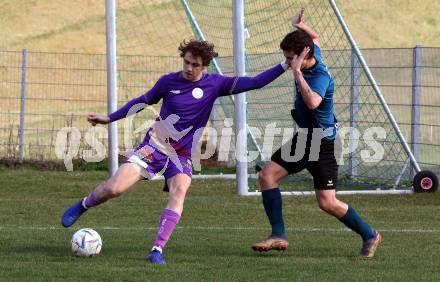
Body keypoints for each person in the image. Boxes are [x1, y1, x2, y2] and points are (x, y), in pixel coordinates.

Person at [61, 39, 291, 265]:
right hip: (154, 147)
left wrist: (285, 64)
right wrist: (110, 118)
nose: (189, 68)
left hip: (181, 155)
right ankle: (83, 205)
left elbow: (256, 82)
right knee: (114, 188)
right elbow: (142, 101)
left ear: (205, 66)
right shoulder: (168, 82)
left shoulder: (216, 84)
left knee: (179, 190)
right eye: (187, 62)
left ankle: (157, 249)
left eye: (196, 65)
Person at [251, 8, 381, 259]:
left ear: (304, 54)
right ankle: (278, 234)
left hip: (323, 145)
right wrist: (301, 25)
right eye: (287, 58)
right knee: (267, 175)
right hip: (304, 140)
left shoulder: (319, 75)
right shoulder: (313, 52)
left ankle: (369, 234)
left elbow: (313, 102)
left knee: (327, 203)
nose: (288, 63)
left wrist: (298, 72)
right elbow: (316, 38)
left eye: (291, 58)